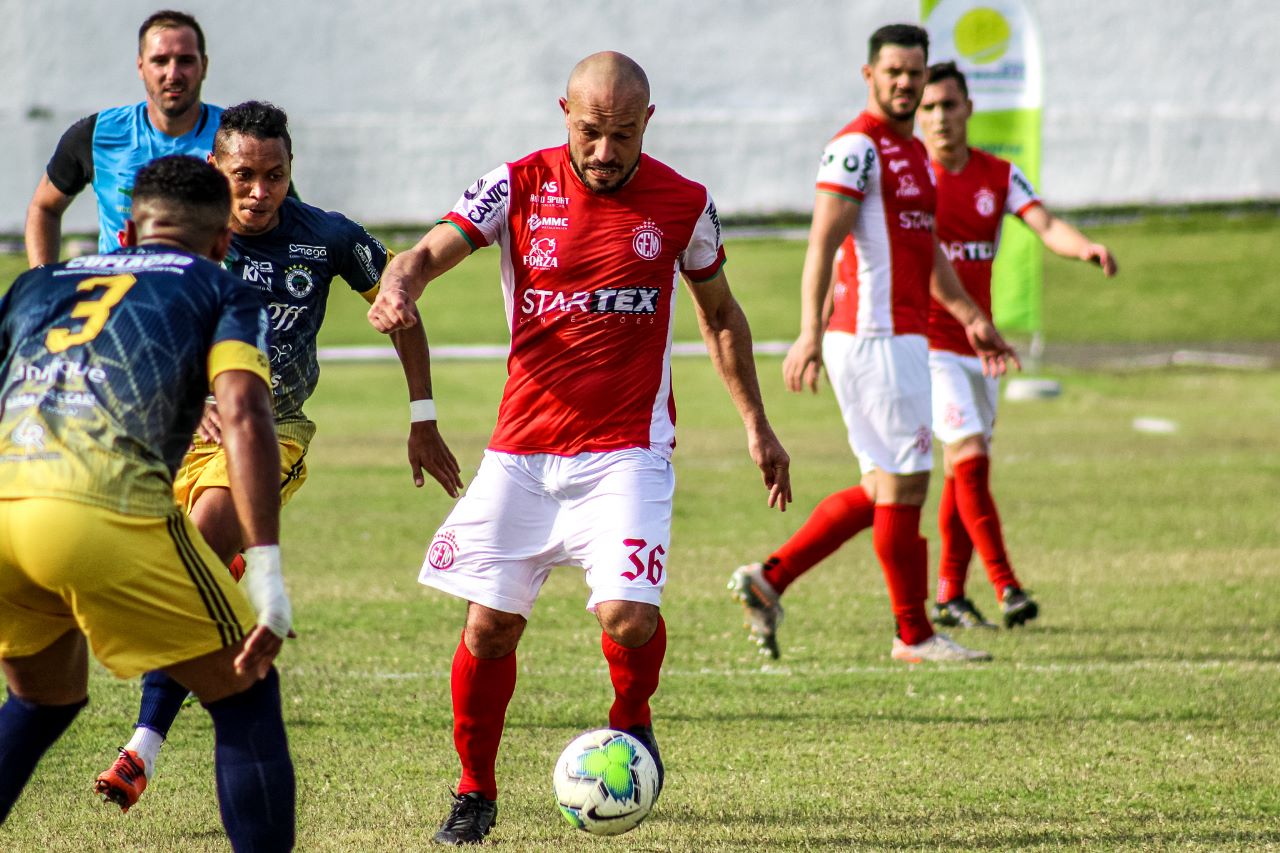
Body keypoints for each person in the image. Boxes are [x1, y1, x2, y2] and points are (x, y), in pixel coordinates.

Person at [367, 51, 792, 845]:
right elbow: (422, 254)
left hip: (627, 449)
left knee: (628, 617)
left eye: (623, 135)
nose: (605, 152)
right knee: (489, 629)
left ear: (647, 124)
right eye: (591, 132)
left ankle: (632, 721)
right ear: (565, 112)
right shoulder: (516, 183)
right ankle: (474, 790)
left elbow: (721, 314)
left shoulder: (684, 203)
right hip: (521, 451)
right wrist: (399, 287)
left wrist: (755, 423)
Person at [92, 101, 462, 812]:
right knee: (173, 570)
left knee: (200, 546)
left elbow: (399, 302)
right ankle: (223, 592)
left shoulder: (325, 237)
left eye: (275, 176)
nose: (260, 192)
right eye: (244, 176)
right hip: (178, 436)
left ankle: (142, 746)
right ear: (214, 170)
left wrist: (422, 412)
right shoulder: (183, 234)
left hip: (271, 430)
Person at [0, 155, 295, 850]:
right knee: (246, 695)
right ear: (223, 241)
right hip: (102, 512)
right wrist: (268, 573)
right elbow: (248, 417)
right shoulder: (219, 287)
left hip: (6, 512)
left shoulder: (34, 284)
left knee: (43, 700)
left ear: (126, 230)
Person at [728, 24, 1017, 664]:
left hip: (903, 338)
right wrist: (808, 330)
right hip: (875, 338)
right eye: (894, 72)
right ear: (871, 76)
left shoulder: (911, 152)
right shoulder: (857, 148)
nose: (906, 83)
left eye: (915, 72)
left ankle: (769, 579)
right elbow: (822, 243)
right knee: (907, 485)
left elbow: (928, 254)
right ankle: (912, 635)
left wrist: (970, 315)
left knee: (882, 489)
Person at [917, 61, 1118, 629]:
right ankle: (1007, 585)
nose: (938, 117)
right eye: (928, 107)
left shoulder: (999, 175)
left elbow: (1045, 222)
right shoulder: (912, 178)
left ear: (968, 110)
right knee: (971, 460)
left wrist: (1085, 249)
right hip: (929, 343)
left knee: (964, 475)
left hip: (982, 346)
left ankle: (951, 595)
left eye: (948, 105)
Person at [25, 11, 221, 265]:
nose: (172, 74)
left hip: (206, 297)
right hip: (121, 297)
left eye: (185, 60)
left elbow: (283, 219)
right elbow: (44, 208)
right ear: (141, 66)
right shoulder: (96, 134)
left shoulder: (237, 138)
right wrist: (43, 282)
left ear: (203, 66)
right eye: (160, 60)